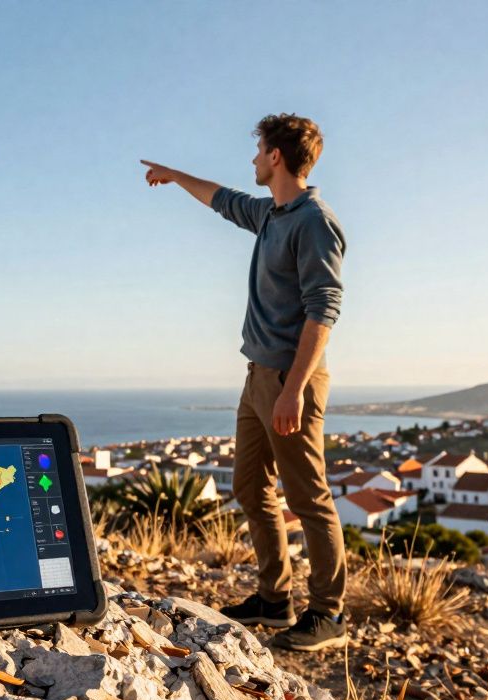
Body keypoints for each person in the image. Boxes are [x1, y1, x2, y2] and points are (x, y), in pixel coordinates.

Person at [141, 114, 348, 651]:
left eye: (259, 151)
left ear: (276, 157)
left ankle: (328, 613)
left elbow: (323, 309)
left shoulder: (313, 221)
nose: (254, 159)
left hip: (289, 379)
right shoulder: (271, 214)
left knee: (309, 499)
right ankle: (274, 600)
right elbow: (222, 198)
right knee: (250, 489)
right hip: (257, 374)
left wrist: (293, 388)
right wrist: (174, 174)